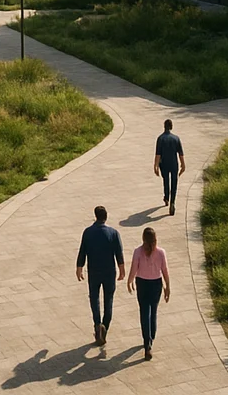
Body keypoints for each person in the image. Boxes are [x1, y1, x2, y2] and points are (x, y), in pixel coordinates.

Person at [75, 205, 125, 347]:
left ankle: (97, 324)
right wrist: (122, 270)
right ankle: (105, 328)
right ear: (106, 217)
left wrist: (79, 267)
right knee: (108, 300)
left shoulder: (88, 232)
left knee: (94, 298)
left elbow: (82, 251)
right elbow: (119, 253)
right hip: (109, 272)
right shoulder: (113, 233)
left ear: (95, 216)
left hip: (94, 271)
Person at [127, 227, 170, 360]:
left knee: (144, 312)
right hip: (156, 284)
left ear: (143, 238)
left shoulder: (138, 252)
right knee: (154, 311)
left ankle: (147, 342)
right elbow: (164, 270)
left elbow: (134, 267)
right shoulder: (161, 252)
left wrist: (130, 280)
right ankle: (152, 337)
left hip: (142, 284)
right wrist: (167, 286)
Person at [154, 119, 186, 216]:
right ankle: (172, 202)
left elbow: (158, 154)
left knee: (166, 181)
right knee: (174, 183)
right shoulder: (176, 138)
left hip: (164, 164)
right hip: (174, 164)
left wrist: (155, 166)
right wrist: (183, 164)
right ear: (171, 127)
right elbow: (181, 153)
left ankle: (166, 197)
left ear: (164, 126)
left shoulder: (160, 138)